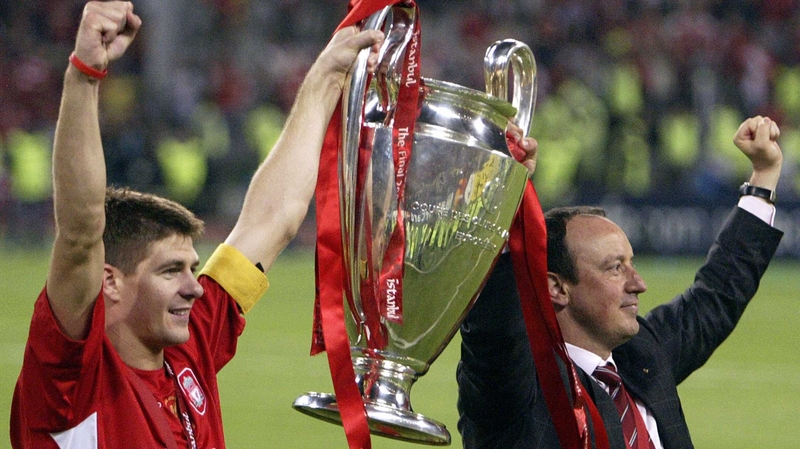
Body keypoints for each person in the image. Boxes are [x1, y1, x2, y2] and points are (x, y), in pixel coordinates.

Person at [9, 1, 386, 448]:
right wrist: (84, 76)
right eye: (171, 271)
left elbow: (273, 219)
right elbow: (79, 233)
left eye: (191, 267)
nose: (196, 287)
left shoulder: (190, 346)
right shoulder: (69, 379)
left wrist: (326, 77)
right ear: (108, 281)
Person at [457, 115, 784, 448]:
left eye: (631, 264)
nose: (638, 283)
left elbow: (716, 296)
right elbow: (493, 329)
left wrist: (763, 176)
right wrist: (503, 195)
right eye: (615, 268)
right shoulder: (517, 391)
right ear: (556, 288)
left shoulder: (641, 356)